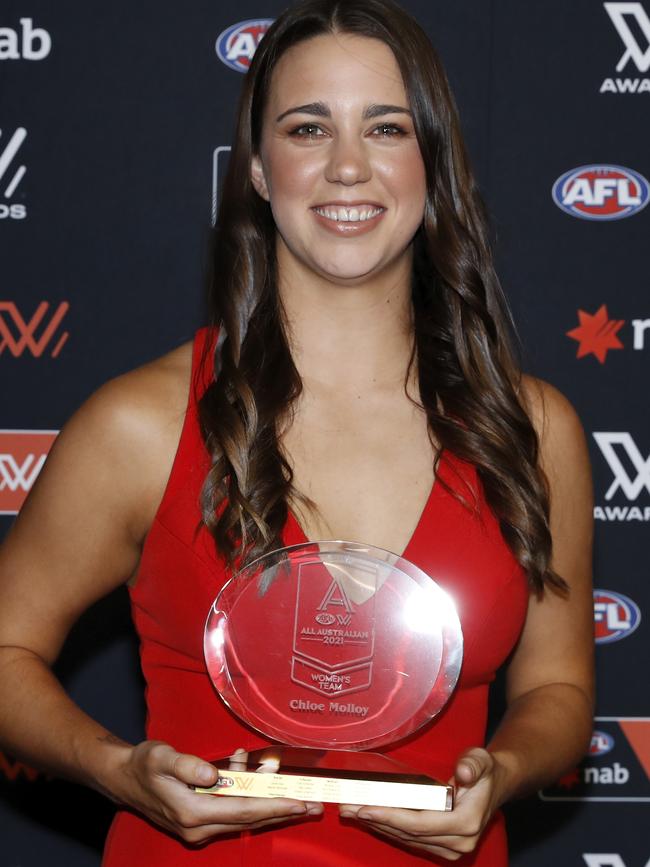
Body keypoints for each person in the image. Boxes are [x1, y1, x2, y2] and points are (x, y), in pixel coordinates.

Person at [0, 0, 594, 864]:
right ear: (256, 169)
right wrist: (116, 767)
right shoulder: (144, 423)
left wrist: (501, 771)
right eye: (309, 128)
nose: (347, 166)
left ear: (431, 163)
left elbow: (561, 686)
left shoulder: (532, 431)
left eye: (386, 128)